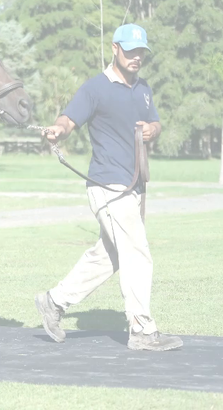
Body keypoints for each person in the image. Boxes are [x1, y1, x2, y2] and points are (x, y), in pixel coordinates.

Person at [34, 23, 182, 351]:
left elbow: (155, 121)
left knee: (108, 257)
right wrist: (57, 131)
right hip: (108, 184)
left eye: (141, 51)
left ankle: (53, 302)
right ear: (114, 48)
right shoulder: (95, 88)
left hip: (134, 184)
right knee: (138, 252)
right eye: (130, 51)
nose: (136, 57)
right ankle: (143, 331)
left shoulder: (143, 89)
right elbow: (68, 120)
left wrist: (152, 130)